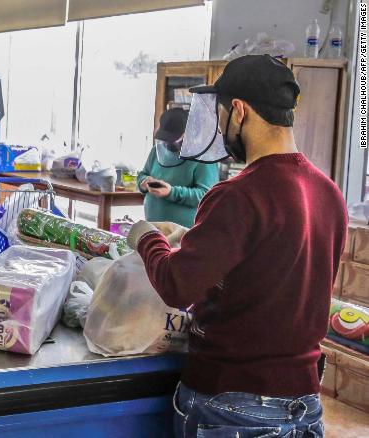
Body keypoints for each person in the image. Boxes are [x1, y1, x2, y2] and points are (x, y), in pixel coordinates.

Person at [126, 55, 348, 437]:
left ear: (240, 112)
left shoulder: (238, 195)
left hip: (231, 403)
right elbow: (274, 273)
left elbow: (177, 286)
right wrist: (194, 241)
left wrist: (146, 236)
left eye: (223, 113)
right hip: (305, 403)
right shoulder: (328, 192)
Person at [137, 108, 218, 227]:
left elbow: (206, 195)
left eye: (172, 139)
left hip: (184, 233)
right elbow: (143, 174)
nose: (167, 144)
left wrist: (171, 192)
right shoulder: (156, 151)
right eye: (164, 139)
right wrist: (143, 182)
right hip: (154, 227)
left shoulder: (204, 156)